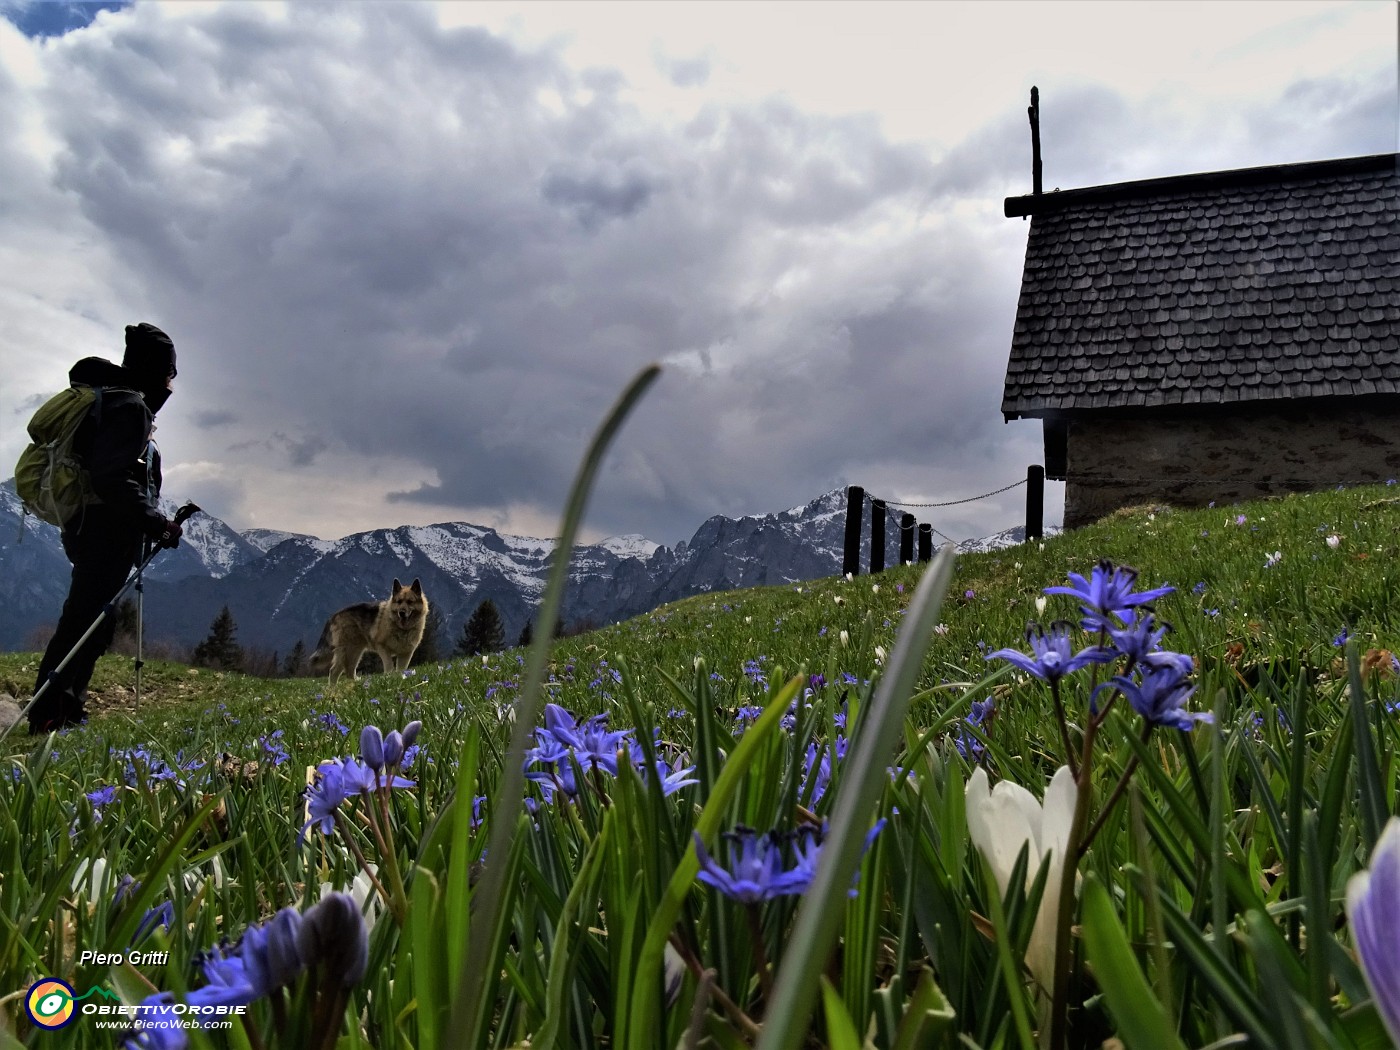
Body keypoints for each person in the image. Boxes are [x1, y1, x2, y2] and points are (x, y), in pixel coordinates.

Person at [28, 323, 185, 734]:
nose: (171, 381)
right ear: (155, 369)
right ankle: (48, 713)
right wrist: (157, 524)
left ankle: (65, 708)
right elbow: (112, 477)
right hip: (104, 528)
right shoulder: (130, 406)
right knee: (85, 620)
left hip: (87, 523)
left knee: (94, 621)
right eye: (170, 371)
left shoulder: (114, 400)